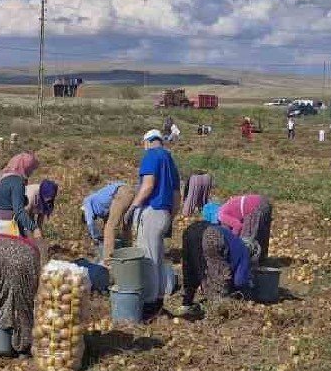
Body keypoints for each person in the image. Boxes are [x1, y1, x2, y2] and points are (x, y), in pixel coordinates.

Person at [127, 129, 180, 309]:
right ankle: (158, 298)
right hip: (164, 213)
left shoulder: (151, 155)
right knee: (157, 257)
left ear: (147, 142)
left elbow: (148, 185)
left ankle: (150, 303)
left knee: (148, 259)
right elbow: (176, 194)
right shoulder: (169, 158)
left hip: (152, 211)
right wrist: (169, 217)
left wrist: (133, 206)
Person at [176, 202, 253, 313]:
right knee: (218, 272)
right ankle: (216, 307)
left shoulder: (236, 242)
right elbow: (239, 280)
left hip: (192, 229)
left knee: (190, 266)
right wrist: (247, 288)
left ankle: (187, 303)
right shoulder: (245, 253)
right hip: (211, 234)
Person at [83, 180, 133, 261]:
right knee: (126, 226)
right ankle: (129, 254)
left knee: (110, 228)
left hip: (121, 192)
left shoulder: (87, 202)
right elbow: (108, 219)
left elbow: (90, 223)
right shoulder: (100, 204)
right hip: (130, 192)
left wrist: (95, 237)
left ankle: (108, 261)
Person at [216, 193, 273, 261]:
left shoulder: (221, 216)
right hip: (263, 202)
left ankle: (248, 264)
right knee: (261, 236)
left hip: (253, 207)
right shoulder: (225, 208)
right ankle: (262, 260)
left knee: (246, 241)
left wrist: (233, 240)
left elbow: (237, 226)